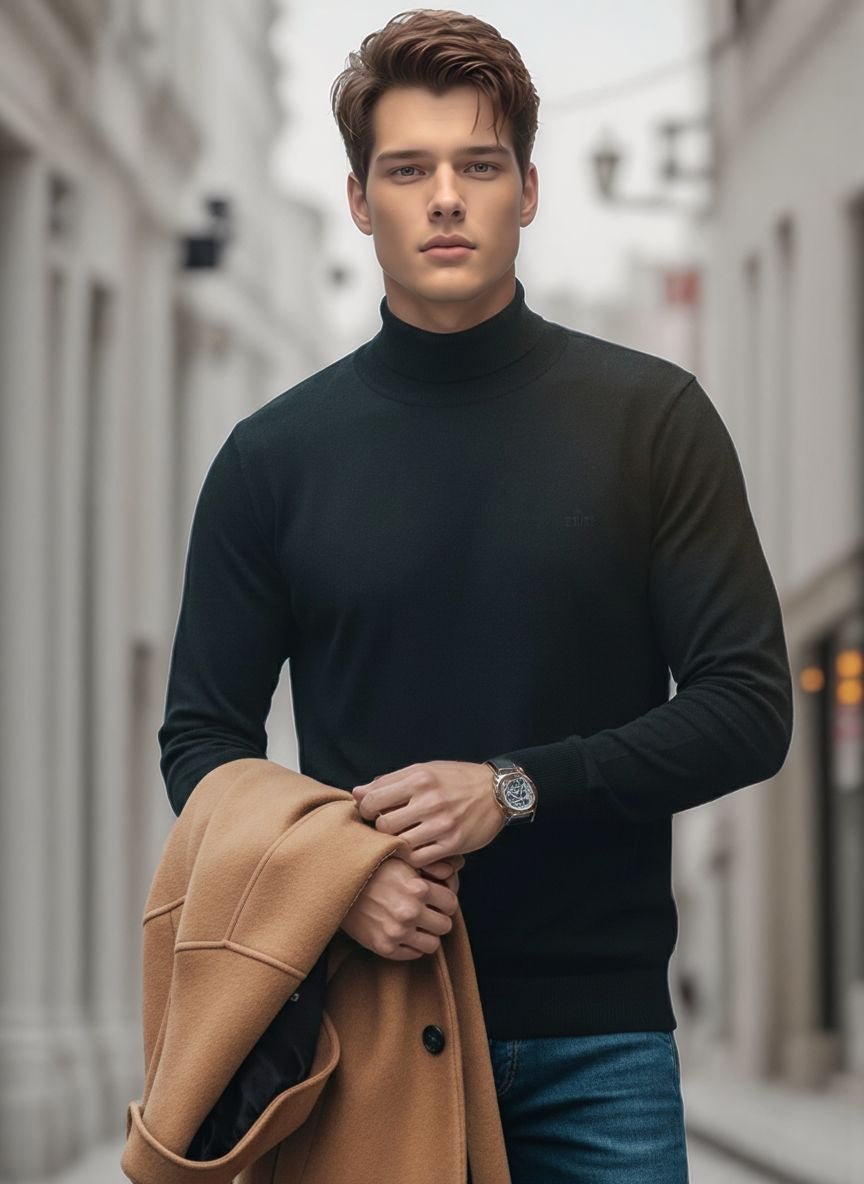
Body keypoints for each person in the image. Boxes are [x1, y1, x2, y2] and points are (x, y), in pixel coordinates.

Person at [157, 9, 794, 1183]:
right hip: (366, 1031)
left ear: (529, 190)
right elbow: (201, 738)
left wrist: (516, 785)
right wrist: (332, 884)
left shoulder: (652, 422)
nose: (444, 196)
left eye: (478, 165)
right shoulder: (272, 458)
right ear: (361, 202)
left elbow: (751, 706)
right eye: (408, 168)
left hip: (600, 1048)